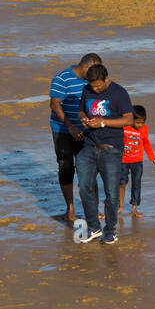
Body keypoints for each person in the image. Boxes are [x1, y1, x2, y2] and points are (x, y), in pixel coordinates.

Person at [76, 63, 135, 245]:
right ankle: (94, 228)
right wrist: (84, 119)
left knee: (111, 193)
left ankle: (110, 231)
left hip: (111, 148)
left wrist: (103, 123)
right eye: (92, 85)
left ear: (106, 79)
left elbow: (129, 119)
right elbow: (80, 111)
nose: (94, 89)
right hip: (88, 147)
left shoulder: (119, 93)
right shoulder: (87, 90)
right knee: (84, 188)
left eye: (98, 86)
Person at [50, 53, 102, 223]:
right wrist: (70, 126)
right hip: (63, 130)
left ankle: (92, 209)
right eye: (94, 70)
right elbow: (55, 103)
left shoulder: (92, 80)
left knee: (89, 169)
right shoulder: (62, 78)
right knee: (66, 167)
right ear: (86, 66)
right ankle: (70, 208)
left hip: (86, 131)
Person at [117, 104, 155, 216]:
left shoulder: (144, 130)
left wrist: (153, 160)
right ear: (131, 119)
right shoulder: (124, 127)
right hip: (123, 161)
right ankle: (120, 205)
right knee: (122, 183)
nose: (140, 125)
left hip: (137, 162)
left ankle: (134, 208)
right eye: (138, 122)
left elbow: (147, 144)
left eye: (142, 122)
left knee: (136, 184)